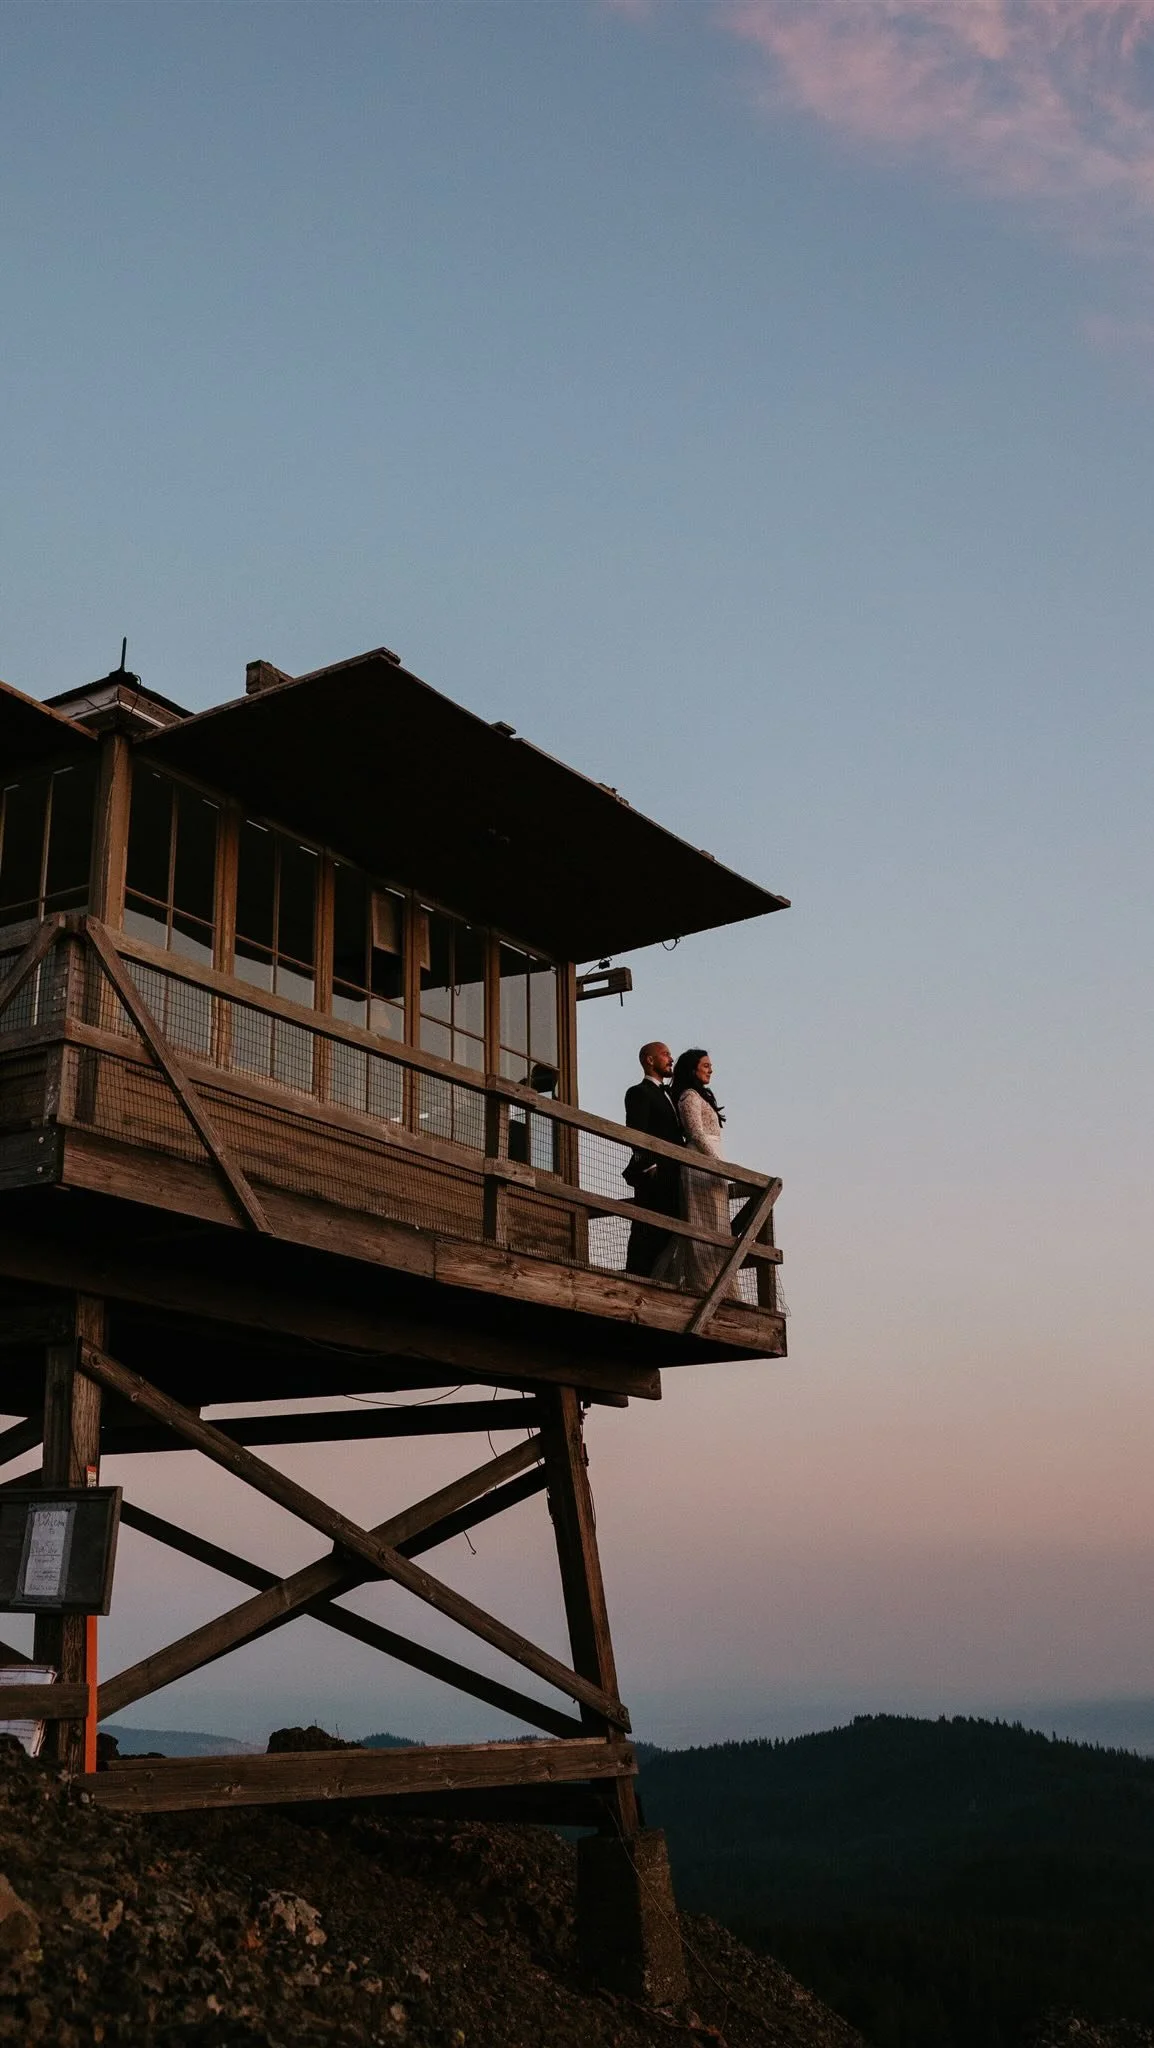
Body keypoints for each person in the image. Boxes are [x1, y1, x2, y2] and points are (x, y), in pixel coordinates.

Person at [668, 1047, 733, 1295]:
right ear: (692, 1069)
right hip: (701, 1161)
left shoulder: (701, 1096)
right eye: (706, 1066)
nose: (711, 1070)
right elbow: (695, 1132)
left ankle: (721, 1282)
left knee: (718, 1221)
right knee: (703, 1220)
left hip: (712, 1159)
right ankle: (704, 1282)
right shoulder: (689, 1097)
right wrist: (715, 1163)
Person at [622, 1040, 684, 1276]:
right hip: (655, 1177)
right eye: (665, 1054)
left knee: (674, 1233)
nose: (671, 1059)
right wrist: (649, 1166)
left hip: (677, 1176)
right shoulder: (639, 1092)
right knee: (647, 1232)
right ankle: (637, 1278)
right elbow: (636, 1130)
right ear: (650, 1060)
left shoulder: (671, 1095)